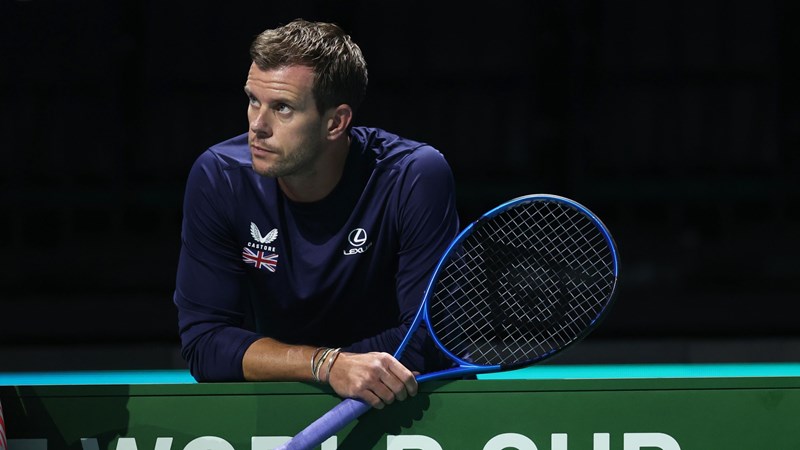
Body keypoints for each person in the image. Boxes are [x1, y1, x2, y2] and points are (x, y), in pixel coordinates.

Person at [173, 18, 460, 410]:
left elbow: (429, 338)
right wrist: (327, 366)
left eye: (283, 108)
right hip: (290, 400)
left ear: (335, 122)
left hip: (410, 405)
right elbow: (205, 344)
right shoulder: (219, 177)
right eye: (253, 100)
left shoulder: (412, 175)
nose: (258, 126)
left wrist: (332, 368)